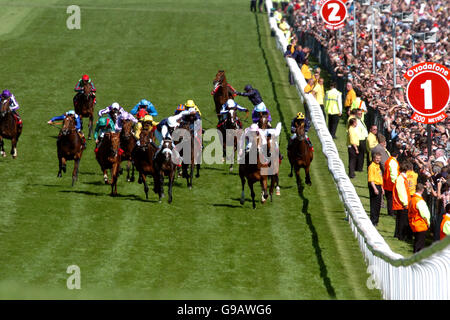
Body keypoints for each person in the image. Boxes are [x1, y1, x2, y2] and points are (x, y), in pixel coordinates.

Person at [408, 183, 431, 253]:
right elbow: (425, 214)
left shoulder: (412, 199)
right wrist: (428, 223)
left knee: (416, 242)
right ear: (422, 190)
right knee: (420, 244)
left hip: (413, 223)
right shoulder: (420, 201)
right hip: (420, 224)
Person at [392, 161, 412, 241]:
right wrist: (405, 203)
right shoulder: (401, 179)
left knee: (400, 220)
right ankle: (401, 236)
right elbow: (401, 192)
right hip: (402, 203)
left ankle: (397, 234)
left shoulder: (402, 178)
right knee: (402, 221)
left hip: (401, 203)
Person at [368, 152, 384, 226]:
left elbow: (380, 177)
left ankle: (376, 220)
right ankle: (373, 220)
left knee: (378, 205)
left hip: (379, 186)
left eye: (379, 158)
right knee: (374, 204)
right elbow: (371, 179)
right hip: (374, 186)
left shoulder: (378, 166)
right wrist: (375, 189)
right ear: (373, 158)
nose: (378, 160)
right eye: (376, 158)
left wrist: (382, 188)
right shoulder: (372, 166)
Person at [383, 150, 400, 217]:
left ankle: (390, 211)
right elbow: (393, 173)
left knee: (389, 198)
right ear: (397, 155)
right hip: (391, 183)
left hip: (387, 182)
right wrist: (395, 183)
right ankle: (391, 212)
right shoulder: (393, 162)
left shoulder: (389, 160)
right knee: (391, 199)